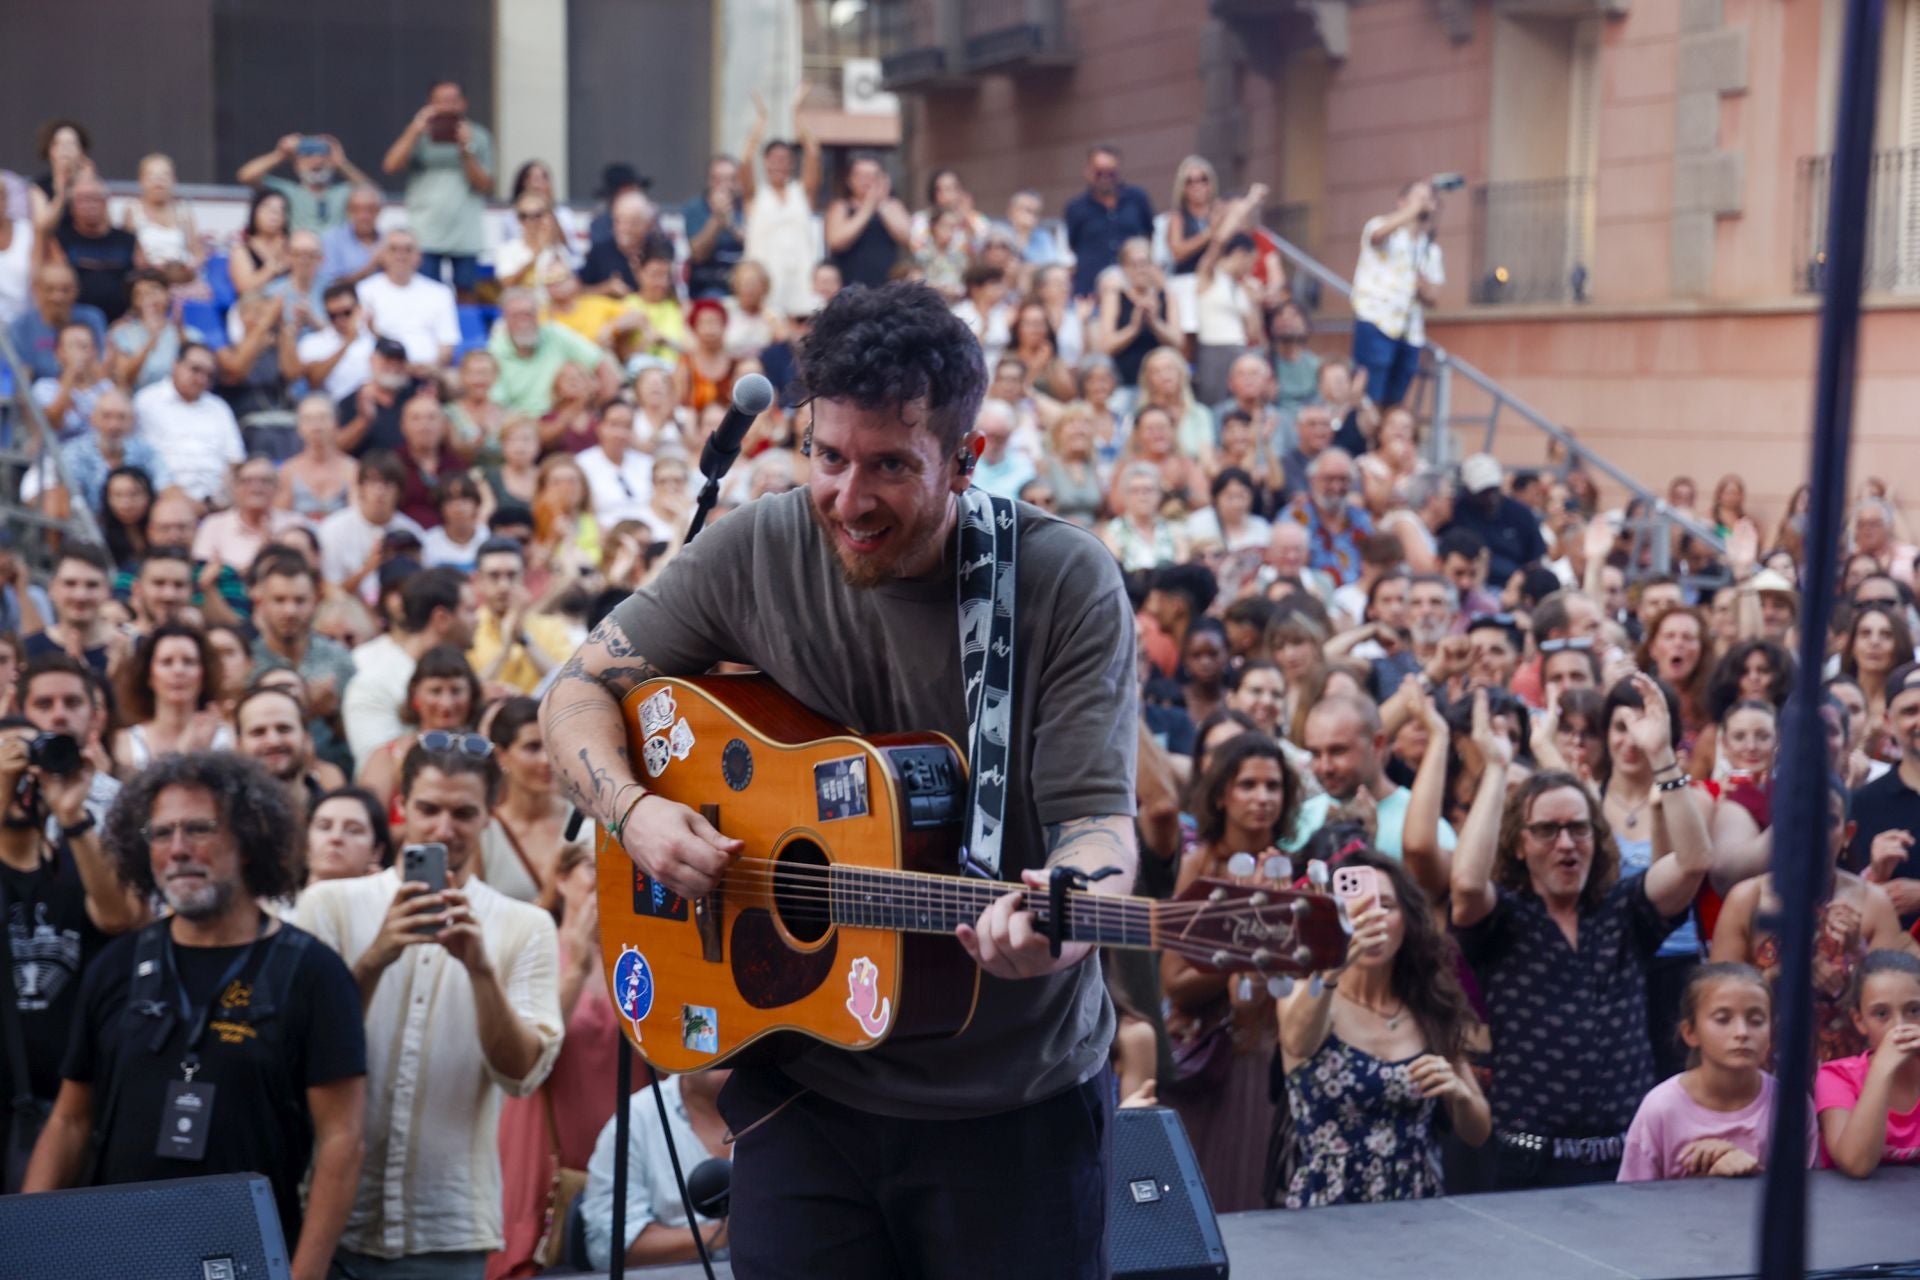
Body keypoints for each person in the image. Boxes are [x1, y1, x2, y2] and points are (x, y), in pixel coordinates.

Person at [541, 280, 1137, 1276]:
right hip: (802, 1083)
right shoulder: (759, 545)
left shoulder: (1060, 582)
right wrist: (639, 813)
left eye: (892, 466)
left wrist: (1066, 918)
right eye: (827, 456)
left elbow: (1098, 834)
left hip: (1008, 1099)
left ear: (966, 458)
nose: (850, 499)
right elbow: (575, 691)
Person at [22, 754, 365, 1277]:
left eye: (198, 829)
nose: (177, 849)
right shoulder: (116, 966)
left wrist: (304, 1274)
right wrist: (26, 1249)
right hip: (118, 1255)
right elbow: (70, 1120)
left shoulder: (314, 973)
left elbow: (343, 1140)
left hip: (250, 1257)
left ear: (250, 839)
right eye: (161, 833)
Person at [295, 737, 561, 1275]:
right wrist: (375, 958)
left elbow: (523, 1075)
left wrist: (481, 971)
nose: (444, 830)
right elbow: (289, 1050)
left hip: (446, 1229)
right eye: (428, 809)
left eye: (464, 813)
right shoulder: (328, 904)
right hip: (318, 1217)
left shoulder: (525, 925)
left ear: (490, 814)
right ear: (402, 806)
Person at [1450, 682, 1715, 1187]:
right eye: (1547, 830)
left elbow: (1695, 861)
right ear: (1519, 844)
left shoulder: (1624, 908)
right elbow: (1465, 883)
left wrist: (1661, 756)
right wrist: (1497, 770)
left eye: (1579, 828)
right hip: (1526, 1162)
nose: (1566, 843)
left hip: (1626, 1158)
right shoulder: (1502, 918)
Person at [1280, 851, 1490, 1207]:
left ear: (1408, 921)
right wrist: (1334, 966)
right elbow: (1298, 1043)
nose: (1370, 917)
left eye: (1386, 906)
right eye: (1354, 908)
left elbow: (1478, 1133)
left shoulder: (1428, 1004)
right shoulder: (1308, 990)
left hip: (1417, 1204)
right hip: (1328, 1207)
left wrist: (1459, 1094)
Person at [0, 710, 147, 1192]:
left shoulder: (77, 860)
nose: (24, 776)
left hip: (67, 1110)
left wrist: (71, 814)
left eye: (32, 762)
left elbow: (119, 917)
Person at [1161, 734, 1303, 1211]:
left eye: (1273, 785)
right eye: (1248, 784)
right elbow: (1174, 980)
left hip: (1262, 1053)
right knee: (1191, 1205)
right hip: (1204, 1051)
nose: (1262, 797)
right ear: (1222, 793)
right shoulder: (1200, 865)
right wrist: (1244, 949)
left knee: (1244, 1199)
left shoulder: (1293, 872)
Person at [1711, 778, 1910, 1064]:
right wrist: (1782, 975)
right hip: (1762, 1075)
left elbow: (1894, 1007)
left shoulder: (1873, 903)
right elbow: (1717, 1000)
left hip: (1850, 1075)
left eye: (1827, 820)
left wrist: (1856, 957)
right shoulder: (1747, 900)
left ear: (1847, 833)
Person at [1616, 963, 1813, 1181]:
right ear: (1690, 1032)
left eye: (1756, 1021)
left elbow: (1809, 1197)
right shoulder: (1661, 1109)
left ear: (1772, 1033)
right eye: (1723, 1019)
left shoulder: (1791, 1106)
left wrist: (1745, 1171)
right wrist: (1704, 1180)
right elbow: (1633, 1204)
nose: (1742, 1032)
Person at [580, 1062, 732, 1271]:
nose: (718, 1043)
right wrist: (723, 1234)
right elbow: (608, 1245)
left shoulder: (786, 1109)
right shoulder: (635, 1120)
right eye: (707, 1031)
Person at [340, 568, 476, 767]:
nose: (478, 619)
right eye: (470, 611)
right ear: (442, 619)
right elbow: (377, 769)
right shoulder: (373, 685)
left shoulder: (466, 671)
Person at [381, 80, 495, 294]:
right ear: (429, 104)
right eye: (441, 101)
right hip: (425, 233)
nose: (448, 106)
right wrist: (414, 130)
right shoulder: (418, 135)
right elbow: (390, 166)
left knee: (466, 295)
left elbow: (484, 186)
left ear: (464, 104)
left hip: (465, 234)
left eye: (453, 100)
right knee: (423, 292)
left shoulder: (478, 136)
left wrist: (466, 149)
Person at [1816, 950, 1920, 1175]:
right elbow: (1856, 1163)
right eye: (1882, 1014)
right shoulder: (1836, 1076)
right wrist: (1882, 1069)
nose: (1899, 1026)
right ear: (1860, 1021)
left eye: (1914, 1010)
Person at [1350, 179, 1442, 408]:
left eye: (1428, 198)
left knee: (1395, 401)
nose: (1424, 202)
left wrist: (1423, 287)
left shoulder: (1429, 249)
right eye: (1418, 196)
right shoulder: (1381, 225)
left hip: (1410, 331)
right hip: (1377, 320)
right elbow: (1377, 236)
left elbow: (1434, 298)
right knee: (1370, 397)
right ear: (1402, 202)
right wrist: (1411, 212)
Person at [1841, 661, 1920, 926]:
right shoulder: (1862, 803)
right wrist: (1874, 878)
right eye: (1910, 711)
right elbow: (1839, 897)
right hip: (1889, 959)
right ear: (1888, 721)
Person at [475, 697, 574, 902]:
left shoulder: (585, 821)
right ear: (501, 755)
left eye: (551, 745)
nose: (546, 760)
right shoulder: (483, 833)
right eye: (532, 747)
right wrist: (547, 900)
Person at [109, 623, 233, 774]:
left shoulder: (228, 739)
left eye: (189, 661)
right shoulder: (123, 744)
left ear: (204, 673)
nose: (178, 671)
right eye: (167, 662)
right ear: (149, 674)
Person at [131, 344, 245, 508]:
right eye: (195, 370)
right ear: (175, 364)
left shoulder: (219, 407)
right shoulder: (146, 401)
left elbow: (235, 460)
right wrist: (180, 500)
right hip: (165, 499)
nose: (201, 379)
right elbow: (140, 458)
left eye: (208, 375)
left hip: (217, 502)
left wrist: (219, 500)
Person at [487, 287, 616, 416]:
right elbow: (495, 406)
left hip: (565, 416)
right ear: (505, 319)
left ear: (538, 315)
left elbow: (603, 365)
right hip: (521, 425)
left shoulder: (555, 334)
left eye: (529, 314)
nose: (524, 322)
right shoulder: (495, 351)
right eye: (517, 316)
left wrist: (601, 409)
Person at [318, 452, 428, 602]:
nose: (379, 492)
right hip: (348, 614)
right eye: (372, 482)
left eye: (388, 484)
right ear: (360, 487)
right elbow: (329, 592)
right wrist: (368, 568)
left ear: (399, 491)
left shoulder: (412, 532)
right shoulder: (333, 529)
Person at [235, 683, 344, 815]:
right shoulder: (225, 822)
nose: (273, 742)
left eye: (284, 729)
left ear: (306, 739)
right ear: (238, 745)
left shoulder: (335, 817)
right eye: (258, 732)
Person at [356, 230, 459, 370]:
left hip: (426, 372)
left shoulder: (440, 293)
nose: (401, 256)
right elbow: (360, 339)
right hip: (379, 370)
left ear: (419, 257)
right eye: (393, 249)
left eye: (408, 250)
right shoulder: (364, 290)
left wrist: (431, 368)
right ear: (382, 255)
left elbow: (447, 344)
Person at [1065, 144, 1155, 298]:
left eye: (1110, 173)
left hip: (1133, 291)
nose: (1105, 178)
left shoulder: (1137, 199)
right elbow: (1072, 245)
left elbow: (1148, 237)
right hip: (1092, 292)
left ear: (1118, 172)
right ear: (1087, 172)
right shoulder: (1075, 208)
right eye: (1099, 173)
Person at [237, 132, 371, 233]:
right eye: (308, 157)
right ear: (296, 165)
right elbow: (246, 176)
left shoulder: (343, 191)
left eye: (322, 157)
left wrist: (341, 163)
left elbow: (370, 191)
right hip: (301, 259)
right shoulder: (289, 191)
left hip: (337, 263)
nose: (316, 161)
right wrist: (279, 155)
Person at [52, 174, 142, 322]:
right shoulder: (60, 240)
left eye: (95, 199)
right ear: (72, 206)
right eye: (83, 200)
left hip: (124, 323)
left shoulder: (128, 239)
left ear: (106, 202)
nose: (90, 205)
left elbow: (142, 281)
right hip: (76, 322)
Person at [9, 262, 107, 381]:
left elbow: (101, 364)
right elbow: (20, 380)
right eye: (49, 290)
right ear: (36, 290)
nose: (58, 297)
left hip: (88, 388)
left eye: (65, 290)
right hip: (40, 395)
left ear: (76, 290)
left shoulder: (92, 318)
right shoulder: (20, 327)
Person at [277, 393, 358, 520]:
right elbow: (279, 518)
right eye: (308, 419)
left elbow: (357, 517)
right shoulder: (288, 471)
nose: (316, 426)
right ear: (299, 427)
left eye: (323, 418)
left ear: (336, 423)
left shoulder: (353, 469)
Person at [298, 284, 376, 404]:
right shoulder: (313, 342)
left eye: (346, 312)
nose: (340, 320)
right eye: (333, 315)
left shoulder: (373, 340)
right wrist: (347, 342)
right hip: (334, 409)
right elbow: (314, 380)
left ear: (359, 309)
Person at [306, 786, 393, 881]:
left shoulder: (393, 894)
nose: (336, 837)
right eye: (324, 827)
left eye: (353, 830)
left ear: (376, 851)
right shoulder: (288, 894)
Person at [321, 184, 386, 288]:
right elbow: (331, 286)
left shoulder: (388, 241)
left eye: (370, 209)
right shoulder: (333, 240)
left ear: (379, 211)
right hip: (347, 303)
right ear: (348, 211)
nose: (364, 216)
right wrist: (372, 265)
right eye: (357, 209)